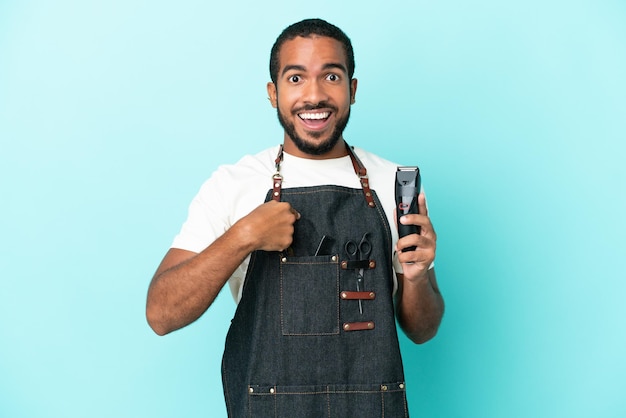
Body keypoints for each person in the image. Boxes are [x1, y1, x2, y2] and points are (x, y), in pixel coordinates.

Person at [146, 18, 444, 418]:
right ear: (273, 93)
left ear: (352, 90)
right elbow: (161, 314)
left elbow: (422, 330)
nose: (314, 95)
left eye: (332, 76)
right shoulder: (233, 184)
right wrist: (243, 236)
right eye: (296, 78)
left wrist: (419, 275)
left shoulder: (394, 183)